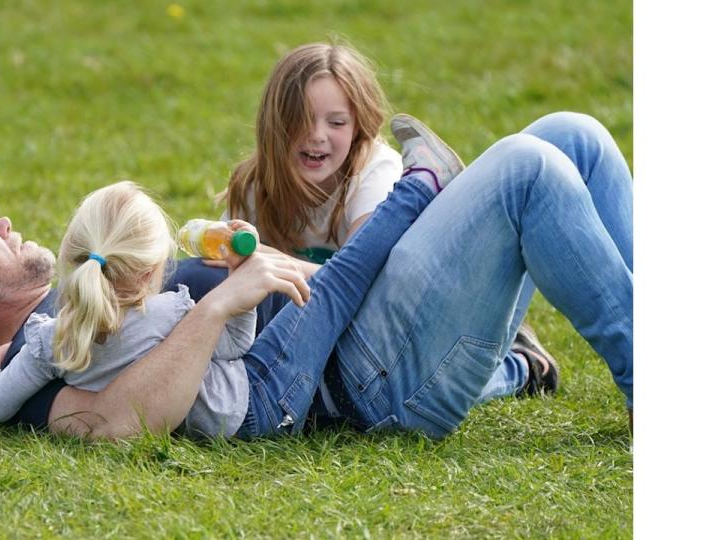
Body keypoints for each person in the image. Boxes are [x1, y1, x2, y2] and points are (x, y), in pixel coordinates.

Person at [0, 107, 632, 439]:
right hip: (364, 375)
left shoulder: (72, 297)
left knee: (575, 136)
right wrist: (220, 307)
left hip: (357, 318)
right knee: (528, 169)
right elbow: (117, 425)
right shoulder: (35, 365)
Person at [169, 42, 556, 405]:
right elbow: (227, 268)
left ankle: (521, 366)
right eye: (300, 120)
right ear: (274, 124)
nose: (316, 136)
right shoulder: (257, 185)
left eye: (336, 122)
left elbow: (358, 282)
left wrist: (266, 262)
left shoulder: (376, 173)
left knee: (420, 385)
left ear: (358, 126)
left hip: (389, 328)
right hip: (316, 329)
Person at [0, 168, 437, 438]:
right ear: (155, 270)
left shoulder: (50, 342)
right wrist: (239, 289)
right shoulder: (171, 312)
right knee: (336, 287)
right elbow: (235, 347)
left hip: (244, 414)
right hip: (259, 402)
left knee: (338, 296)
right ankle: (417, 188)